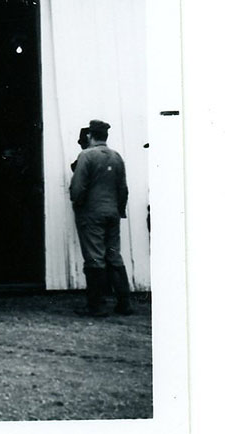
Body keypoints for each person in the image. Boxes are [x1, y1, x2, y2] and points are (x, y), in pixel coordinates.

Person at [69, 119, 133, 317]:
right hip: (112, 213)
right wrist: (119, 210)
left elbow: (78, 188)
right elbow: (123, 189)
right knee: (114, 255)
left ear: (90, 136)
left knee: (95, 257)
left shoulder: (86, 156)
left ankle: (96, 305)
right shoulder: (116, 157)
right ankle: (124, 303)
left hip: (92, 214)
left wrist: (78, 205)